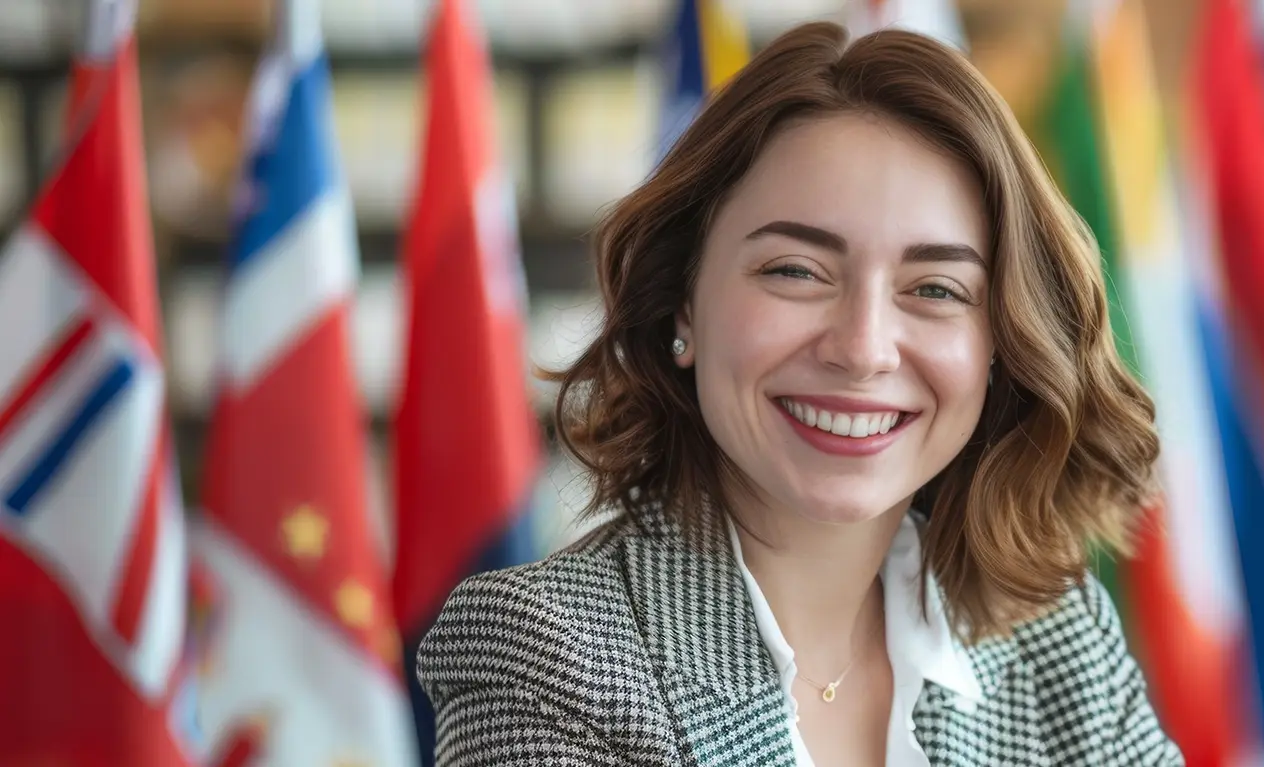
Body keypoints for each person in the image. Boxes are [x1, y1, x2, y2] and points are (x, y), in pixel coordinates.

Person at [416, 20, 1181, 767]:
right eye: (796, 271)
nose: (862, 349)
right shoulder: (545, 654)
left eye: (937, 287)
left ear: (1000, 345)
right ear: (683, 302)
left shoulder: (1059, 640)